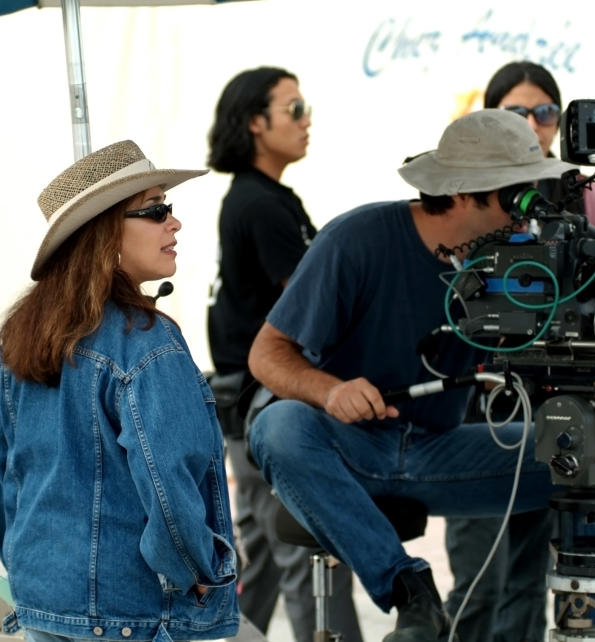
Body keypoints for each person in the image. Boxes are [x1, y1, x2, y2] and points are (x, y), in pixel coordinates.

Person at [246, 108, 575, 642]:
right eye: (516, 194)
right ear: (469, 193)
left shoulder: (512, 257)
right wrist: (331, 392)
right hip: (347, 450)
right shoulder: (357, 238)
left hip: (440, 451)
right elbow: (267, 354)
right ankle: (410, 594)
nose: (525, 211)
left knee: (594, 453)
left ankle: (585, 615)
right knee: (279, 428)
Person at [0, 140, 240, 642]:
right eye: (156, 209)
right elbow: (169, 481)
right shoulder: (147, 341)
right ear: (104, 235)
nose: (175, 222)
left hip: (43, 601)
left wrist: (29, 568)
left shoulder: (19, 339)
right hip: (133, 612)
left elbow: (0, 483)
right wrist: (199, 570)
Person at [442, 60, 595, 642]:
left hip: (555, 398)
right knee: (477, 575)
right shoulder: (460, 194)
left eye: (544, 112)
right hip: (481, 398)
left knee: (526, 575)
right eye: (517, 112)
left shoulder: (587, 199)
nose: (533, 124)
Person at [206, 66, 363, 642]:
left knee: (269, 555)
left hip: (252, 405)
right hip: (266, 405)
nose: (306, 119)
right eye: (293, 108)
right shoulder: (258, 203)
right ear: (255, 122)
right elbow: (311, 305)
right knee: (306, 547)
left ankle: (226, 636)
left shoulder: (268, 198)